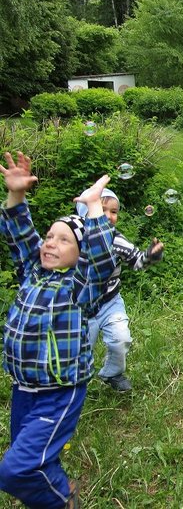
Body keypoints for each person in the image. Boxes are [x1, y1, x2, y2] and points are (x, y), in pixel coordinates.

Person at [0, 152, 116, 509]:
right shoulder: (32, 272)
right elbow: (20, 234)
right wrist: (16, 194)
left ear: (80, 254)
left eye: (64, 240)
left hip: (59, 391)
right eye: (49, 236)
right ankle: (57, 486)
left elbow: (102, 258)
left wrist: (94, 207)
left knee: (14, 471)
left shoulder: (80, 286)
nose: (50, 242)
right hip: (24, 389)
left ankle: (63, 500)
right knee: (34, 458)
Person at [76, 189, 164, 392]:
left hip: (110, 303)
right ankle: (75, 381)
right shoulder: (74, 241)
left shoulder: (116, 241)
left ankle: (112, 373)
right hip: (81, 308)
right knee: (80, 350)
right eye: (102, 210)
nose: (109, 216)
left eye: (113, 211)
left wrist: (151, 255)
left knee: (120, 339)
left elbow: (137, 261)